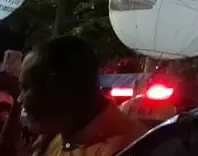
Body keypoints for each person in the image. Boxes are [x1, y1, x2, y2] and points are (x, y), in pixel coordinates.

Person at [19, 35, 147, 156]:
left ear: (61, 88)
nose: (20, 99)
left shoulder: (128, 148)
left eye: (26, 88)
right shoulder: (61, 139)